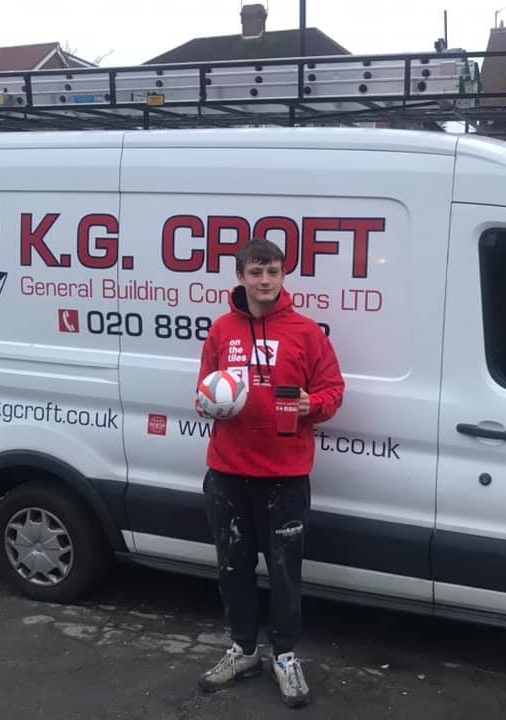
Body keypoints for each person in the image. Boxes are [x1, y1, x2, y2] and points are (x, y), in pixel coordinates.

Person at [194, 238, 345, 708]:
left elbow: (333, 389)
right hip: (227, 473)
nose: (264, 280)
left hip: (285, 476)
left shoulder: (305, 332)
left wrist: (311, 405)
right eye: (255, 272)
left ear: (283, 277)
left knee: (284, 572)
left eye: (272, 272)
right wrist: (206, 404)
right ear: (240, 277)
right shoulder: (221, 330)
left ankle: (284, 655)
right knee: (232, 568)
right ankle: (242, 650)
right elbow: (202, 388)